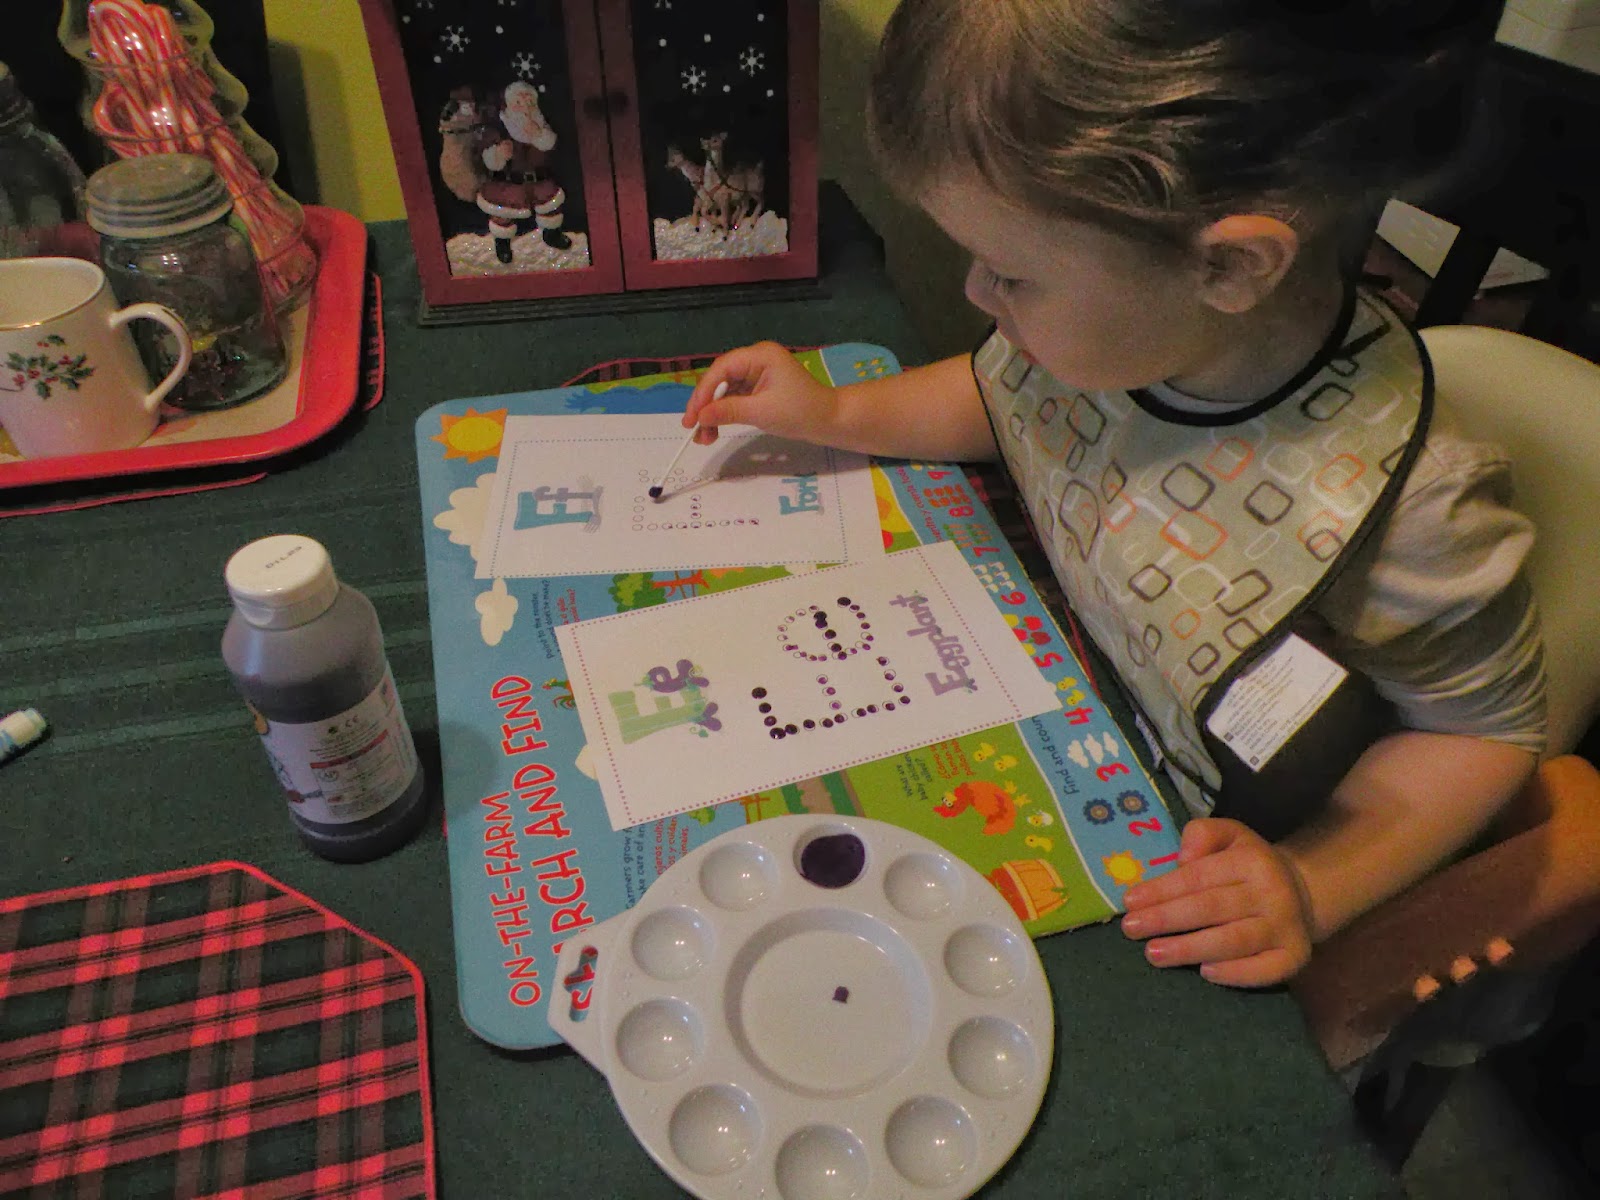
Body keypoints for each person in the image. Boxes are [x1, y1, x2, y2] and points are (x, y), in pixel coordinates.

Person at [681, 0, 1547, 988]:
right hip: (1067, 712)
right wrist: (834, 414)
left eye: (1010, 274)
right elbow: (1007, 398)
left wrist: (1311, 884)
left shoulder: (1415, 508)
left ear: (1228, 265)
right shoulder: (1133, 328)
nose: (975, 296)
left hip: (1214, 853)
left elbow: (1486, 732)